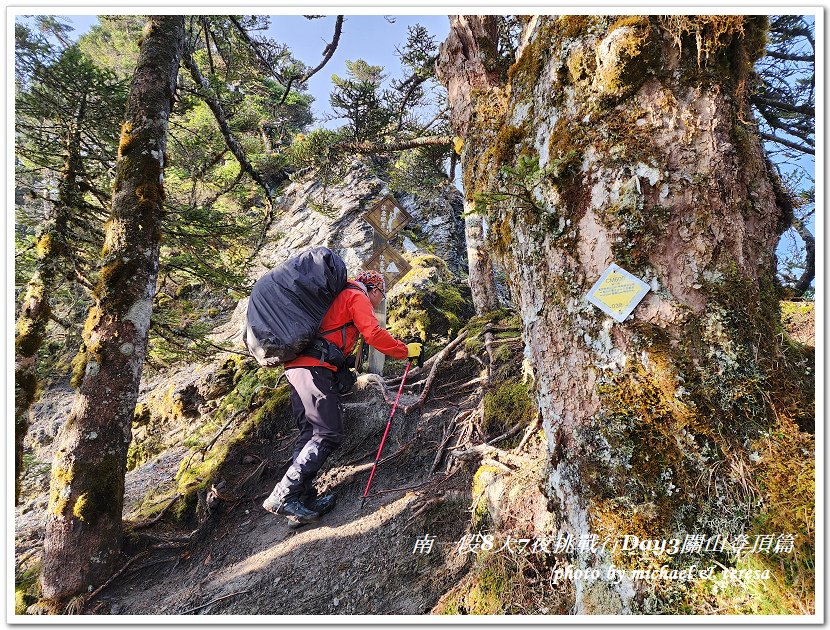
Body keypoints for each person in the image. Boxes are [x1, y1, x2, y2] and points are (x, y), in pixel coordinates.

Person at [262, 270, 422, 526]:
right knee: (328, 432)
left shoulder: (335, 297)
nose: (380, 301)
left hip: (297, 368)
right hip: (315, 368)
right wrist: (404, 351)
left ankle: (301, 501)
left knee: (309, 433)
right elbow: (373, 333)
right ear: (374, 289)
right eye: (381, 294)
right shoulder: (355, 296)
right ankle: (283, 494)